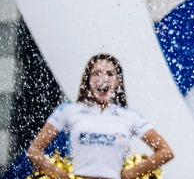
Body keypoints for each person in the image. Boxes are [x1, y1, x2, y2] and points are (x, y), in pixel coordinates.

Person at [26, 53, 174, 179]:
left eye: (110, 74)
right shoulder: (68, 110)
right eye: (96, 73)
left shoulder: (130, 116)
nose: (102, 78)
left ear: (118, 82)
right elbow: (34, 151)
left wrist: (130, 173)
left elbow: (165, 152)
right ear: (88, 80)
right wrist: (59, 174)